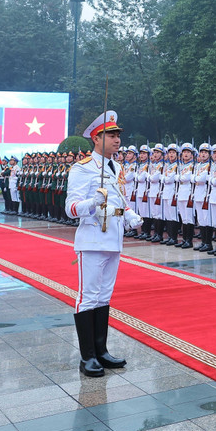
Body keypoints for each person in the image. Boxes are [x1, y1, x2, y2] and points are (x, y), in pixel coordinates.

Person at [65, 110, 143, 377]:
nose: (117, 139)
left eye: (118, 135)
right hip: (92, 238)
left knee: (104, 296)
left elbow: (120, 198)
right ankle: (87, 357)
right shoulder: (82, 168)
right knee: (87, 297)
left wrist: (129, 214)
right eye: (111, 135)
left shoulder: (117, 167)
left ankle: (101, 351)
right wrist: (93, 203)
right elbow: (70, 208)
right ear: (96, 138)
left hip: (113, 237)